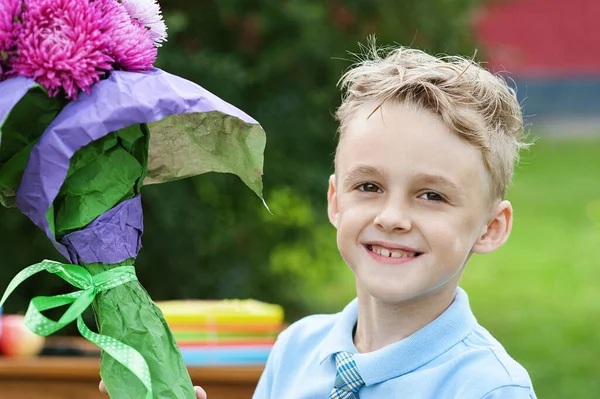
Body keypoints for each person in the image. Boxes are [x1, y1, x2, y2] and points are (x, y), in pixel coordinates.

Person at [102, 42, 537, 398]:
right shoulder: (295, 350)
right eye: (369, 187)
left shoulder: (488, 389)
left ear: (491, 227)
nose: (392, 217)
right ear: (335, 200)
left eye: (432, 195)